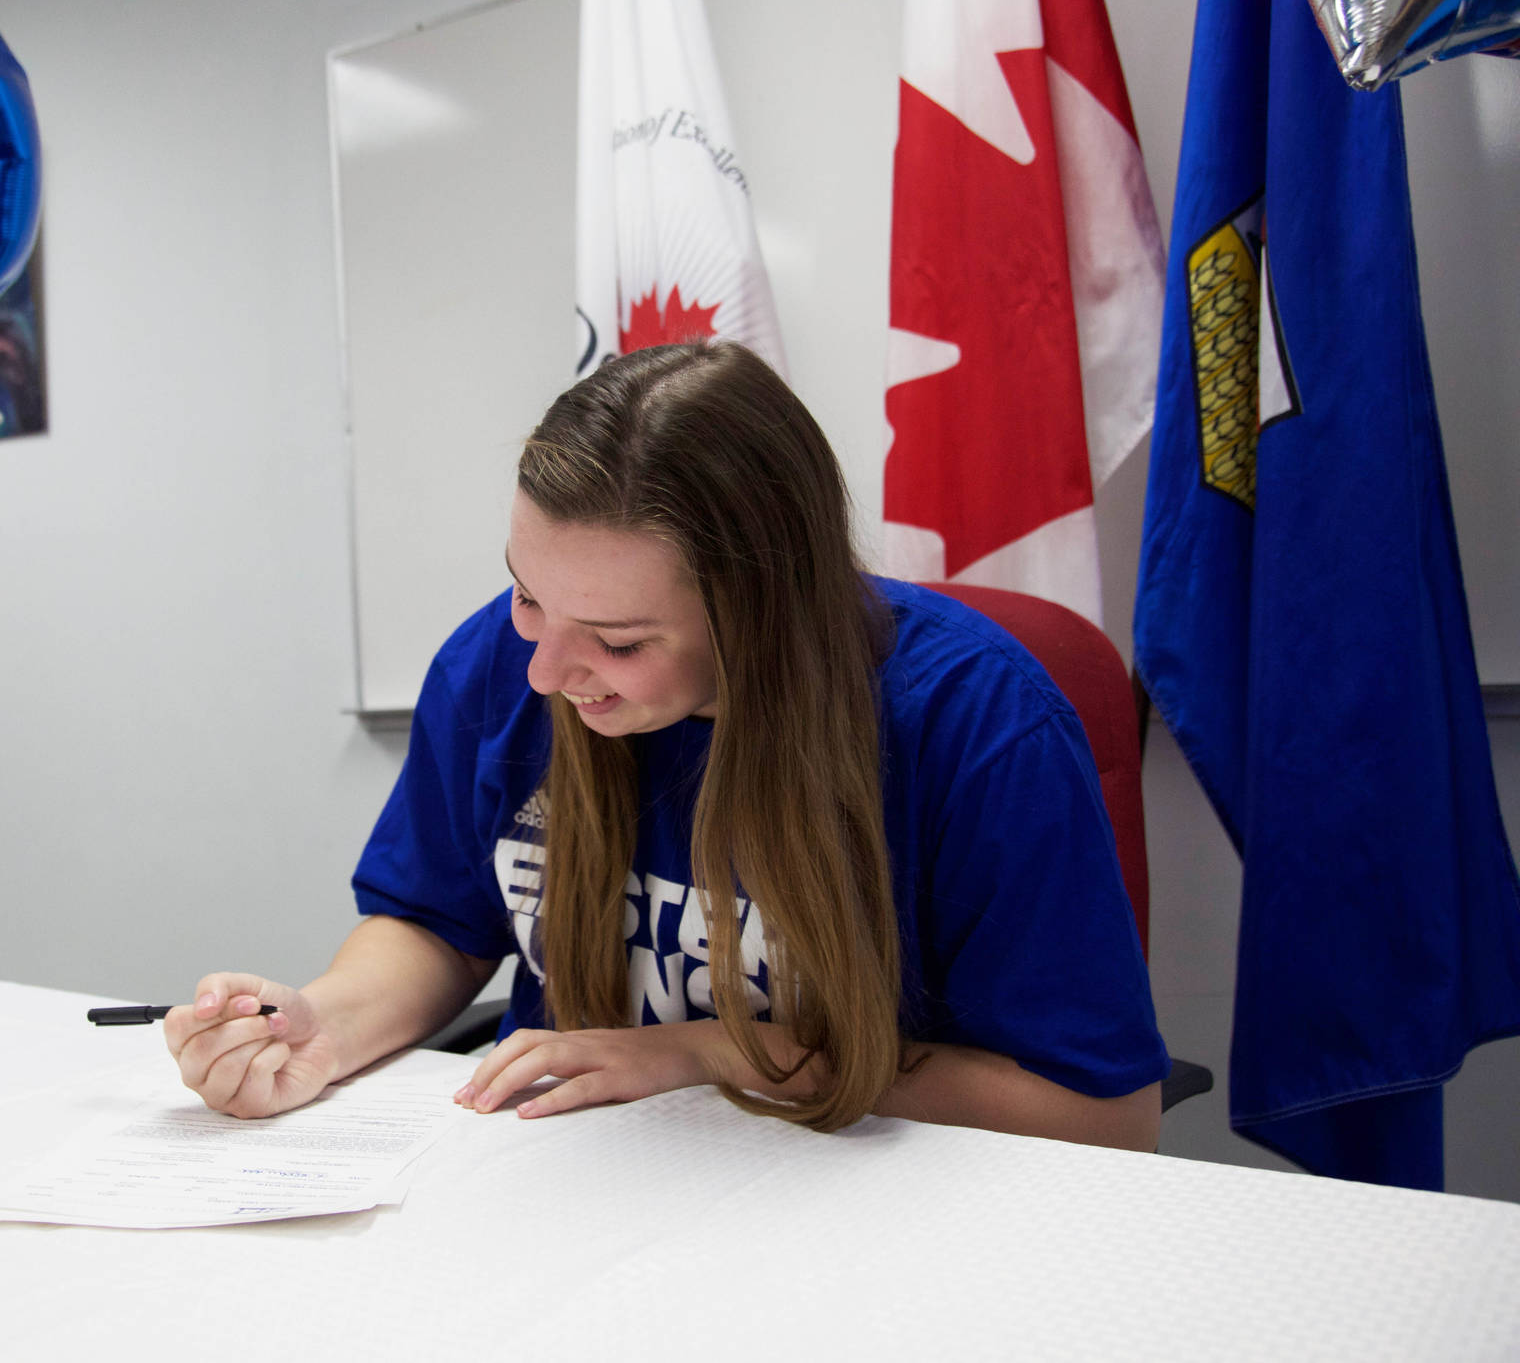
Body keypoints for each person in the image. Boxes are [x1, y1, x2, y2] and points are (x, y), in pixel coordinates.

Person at [166, 341, 1168, 1151]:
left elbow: (1100, 1118)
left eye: (618, 641)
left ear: (763, 616)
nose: (544, 672)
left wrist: (716, 1053)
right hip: (568, 1177)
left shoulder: (973, 723)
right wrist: (320, 1026)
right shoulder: (493, 663)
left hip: (859, 1206)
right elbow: (437, 922)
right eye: (526, 592)